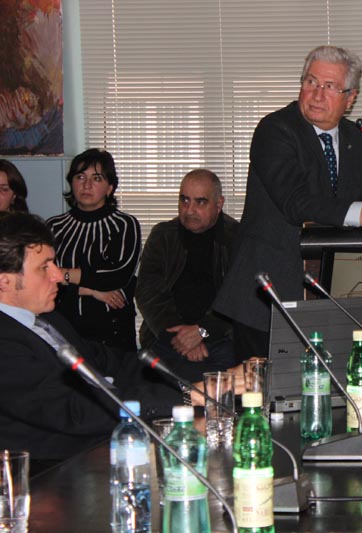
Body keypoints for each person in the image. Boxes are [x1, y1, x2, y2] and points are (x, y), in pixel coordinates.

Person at [214, 45, 362, 361]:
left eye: (329, 86)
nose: (317, 94)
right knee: (266, 388)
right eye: (311, 82)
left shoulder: (360, 140)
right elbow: (296, 202)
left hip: (332, 293)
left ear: (350, 98)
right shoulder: (275, 130)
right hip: (268, 293)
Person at [0, 212, 180, 471]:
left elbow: (113, 363)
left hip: (102, 448)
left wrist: (197, 381)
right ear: (4, 281)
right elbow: (75, 410)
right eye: (44, 267)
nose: (58, 275)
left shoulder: (48, 318)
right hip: (51, 472)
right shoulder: (5, 342)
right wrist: (179, 400)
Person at [136, 169, 239, 382]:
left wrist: (202, 331)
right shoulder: (163, 236)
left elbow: (239, 298)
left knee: (217, 390)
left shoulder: (237, 238)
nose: (189, 210)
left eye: (200, 202)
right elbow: (148, 293)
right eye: (184, 200)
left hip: (220, 339)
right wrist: (181, 338)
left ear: (219, 204)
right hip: (166, 336)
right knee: (154, 389)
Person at [46, 149, 141, 351]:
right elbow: (42, 278)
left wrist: (62, 274)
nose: (87, 185)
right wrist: (92, 290)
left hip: (112, 334)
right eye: (80, 177)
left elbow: (116, 276)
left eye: (96, 178)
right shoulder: (53, 227)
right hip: (63, 329)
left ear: (110, 188)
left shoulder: (124, 225)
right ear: (72, 183)